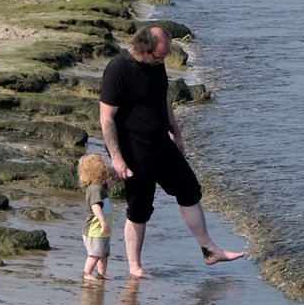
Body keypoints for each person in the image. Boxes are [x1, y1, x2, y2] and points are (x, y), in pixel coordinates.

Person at [99, 26, 246, 277]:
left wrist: (176, 134)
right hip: (134, 150)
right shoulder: (118, 70)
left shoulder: (157, 64)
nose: (163, 60)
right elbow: (106, 119)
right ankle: (135, 267)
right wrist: (118, 158)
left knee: (189, 189)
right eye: (160, 56)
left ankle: (209, 250)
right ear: (145, 49)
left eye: (166, 56)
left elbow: (163, 98)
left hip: (161, 142)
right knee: (139, 208)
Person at [78, 153, 117, 281]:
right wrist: (102, 220)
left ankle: (102, 273)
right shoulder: (95, 189)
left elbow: (111, 183)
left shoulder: (100, 187)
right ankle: (87, 273)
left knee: (104, 254)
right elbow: (95, 206)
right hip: (94, 229)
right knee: (95, 254)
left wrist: (119, 175)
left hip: (102, 231)